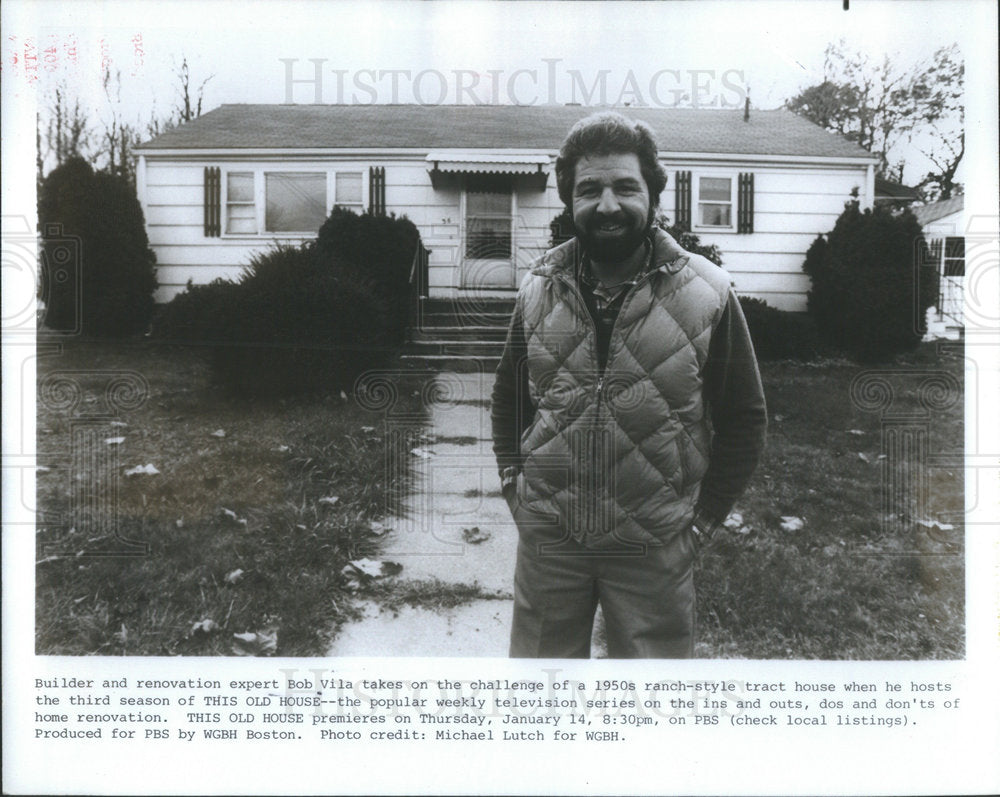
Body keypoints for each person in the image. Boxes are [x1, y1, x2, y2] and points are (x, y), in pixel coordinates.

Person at [491, 111, 767, 658]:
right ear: (570, 201)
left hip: (654, 544)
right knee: (540, 701)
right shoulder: (538, 286)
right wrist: (513, 488)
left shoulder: (707, 292)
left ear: (654, 196)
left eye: (625, 187)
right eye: (589, 189)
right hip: (550, 536)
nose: (608, 205)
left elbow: (745, 417)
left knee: (651, 707)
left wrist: (702, 522)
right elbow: (508, 396)